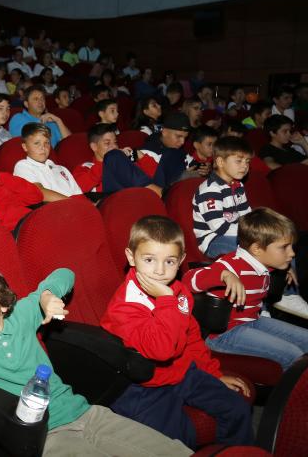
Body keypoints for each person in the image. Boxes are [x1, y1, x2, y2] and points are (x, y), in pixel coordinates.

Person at [0, 265, 191, 457]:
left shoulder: (22, 315)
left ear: (3, 304)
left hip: (85, 413)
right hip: (45, 436)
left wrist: (46, 295)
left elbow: (65, 273)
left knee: (170, 451)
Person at [101, 216, 254, 449]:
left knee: (237, 409)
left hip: (182, 371)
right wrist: (166, 300)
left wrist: (214, 374)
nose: (160, 271)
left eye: (170, 261)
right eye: (149, 259)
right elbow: (161, 350)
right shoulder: (125, 306)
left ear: (181, 260)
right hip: (145, 386)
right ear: (131, 257)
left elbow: (191, 337)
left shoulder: (179, 291)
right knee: (181, 442)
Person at [185, 208, 308, 369]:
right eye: (284, 247)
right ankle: (294, 393)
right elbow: (187, 279)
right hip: (224, 334)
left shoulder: (261, 263)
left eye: (292, 247)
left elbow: (266, 268)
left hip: (252, 320)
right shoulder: (231, 265)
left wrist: (285, 268)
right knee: (293, 355)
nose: (292, 253)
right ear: (257, 249)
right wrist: (224, 275)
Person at [192, 136, 252, 259]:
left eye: (247, 161)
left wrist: (257, 230)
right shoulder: (209, 190)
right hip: (213, 240)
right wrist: (249, 234)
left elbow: (246, 214)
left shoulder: (238, 185)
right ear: (220, 162)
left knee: (274, 241)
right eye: (239, 161)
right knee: (258, 250)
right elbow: (218, 227)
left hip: (237, 234)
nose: (245, 166)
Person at [14, 123, 81, 198]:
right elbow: (38, 192)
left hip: (74, 205)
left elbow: (78, 195)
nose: (43, 147)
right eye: (37, 143)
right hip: (52, 208)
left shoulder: (61, 169)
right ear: (25, 147)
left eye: (47, 143)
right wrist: (73, 203)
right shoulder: (23, 166)